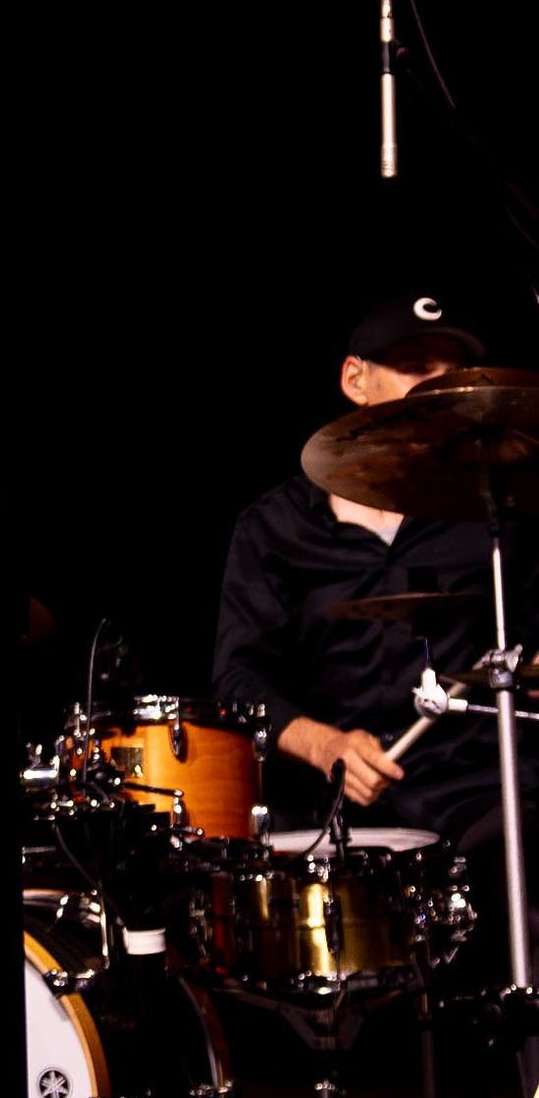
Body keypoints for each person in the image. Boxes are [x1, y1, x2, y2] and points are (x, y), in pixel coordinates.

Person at [213, 289, 535, 963]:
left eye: (451, 375)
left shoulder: (496, 513)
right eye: (417, 368)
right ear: (355, 380)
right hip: (342, 811)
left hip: (484, 791)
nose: (439, 388)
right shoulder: (275, 527)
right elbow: (236, 679)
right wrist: (324, 744)